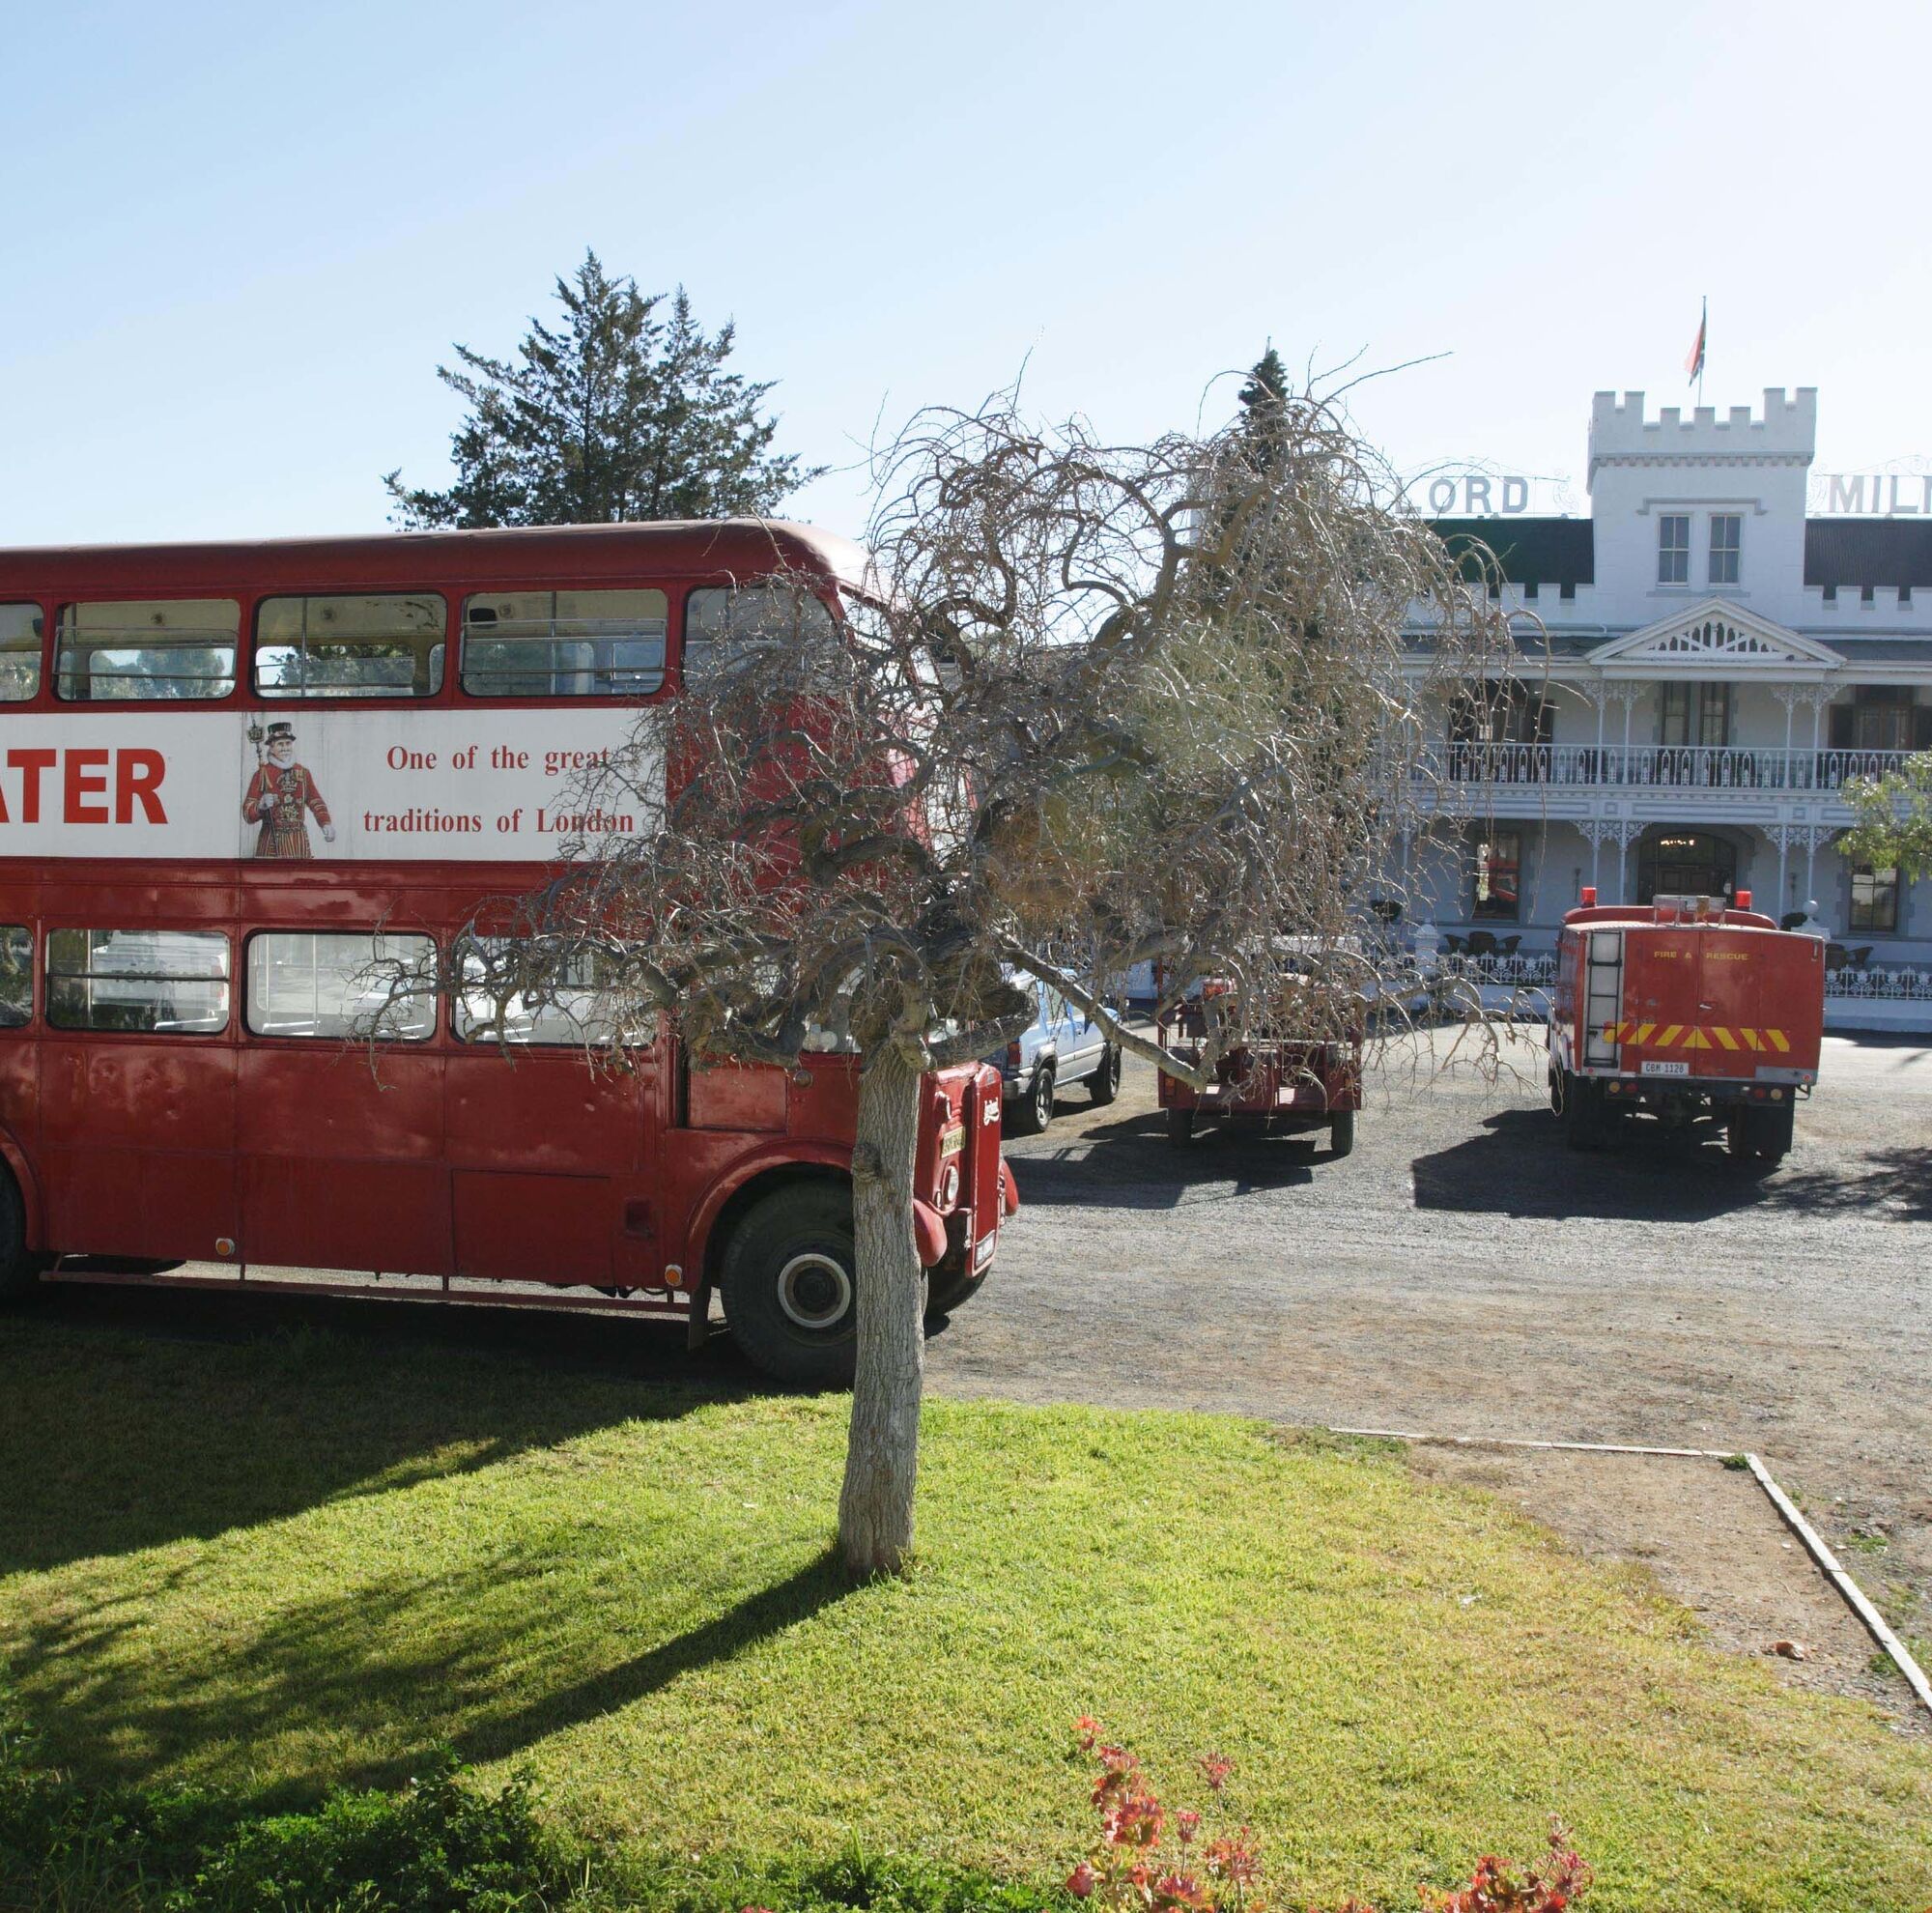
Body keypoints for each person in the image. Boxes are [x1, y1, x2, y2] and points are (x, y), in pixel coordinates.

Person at [243, 722, 335, 859]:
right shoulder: (261, 774)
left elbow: (315, 801)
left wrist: (325, 823)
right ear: (271, 747)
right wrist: (260, 806)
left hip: (298, 841)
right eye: (280, 744)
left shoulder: (303, 773)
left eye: (288, 743)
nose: (285, 748)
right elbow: (247, 814)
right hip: (271, 842)